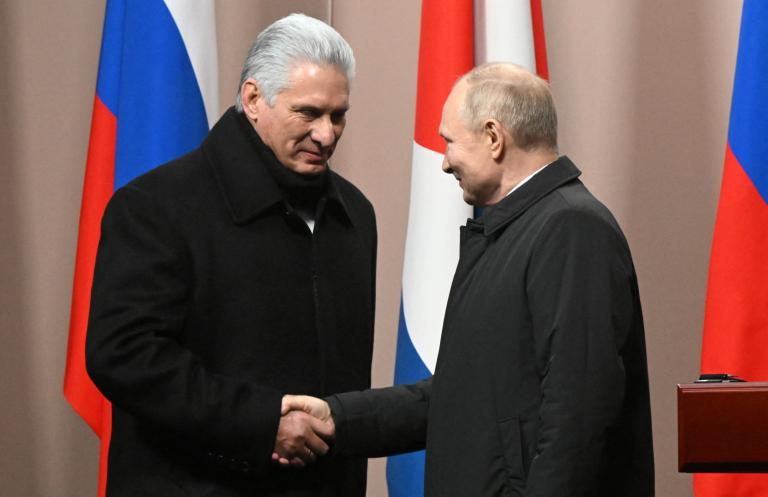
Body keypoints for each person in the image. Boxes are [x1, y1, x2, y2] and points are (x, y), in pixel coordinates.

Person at [282, 63, 655, 497]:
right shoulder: (513, 232)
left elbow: (579, 412)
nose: (443, 163)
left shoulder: (571, 229)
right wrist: (339, 417)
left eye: (450, 142)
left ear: (494, 138)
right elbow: (462, 396)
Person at [86, 13, 375, 497]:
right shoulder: (155, 206)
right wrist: (261, 423)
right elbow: (124, 356)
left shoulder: (355, 215)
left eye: (338, 114)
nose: (327, 134)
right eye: (308, 113)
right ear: (254, 99)